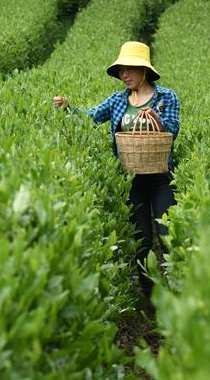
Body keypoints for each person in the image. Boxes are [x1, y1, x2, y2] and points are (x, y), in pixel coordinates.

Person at [53, 41, 180, 310]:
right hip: (130, 180)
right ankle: (152, 301)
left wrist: (156, 121)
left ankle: (175, 294)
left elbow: (173, 129)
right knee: (141, 241)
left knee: (168, 235)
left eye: (130, 69)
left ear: (144, 70)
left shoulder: (166, 98)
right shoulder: (118, 100)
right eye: (121, 70)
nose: (124, 75)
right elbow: (90, 118)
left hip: (160, 177)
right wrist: (67, 107)